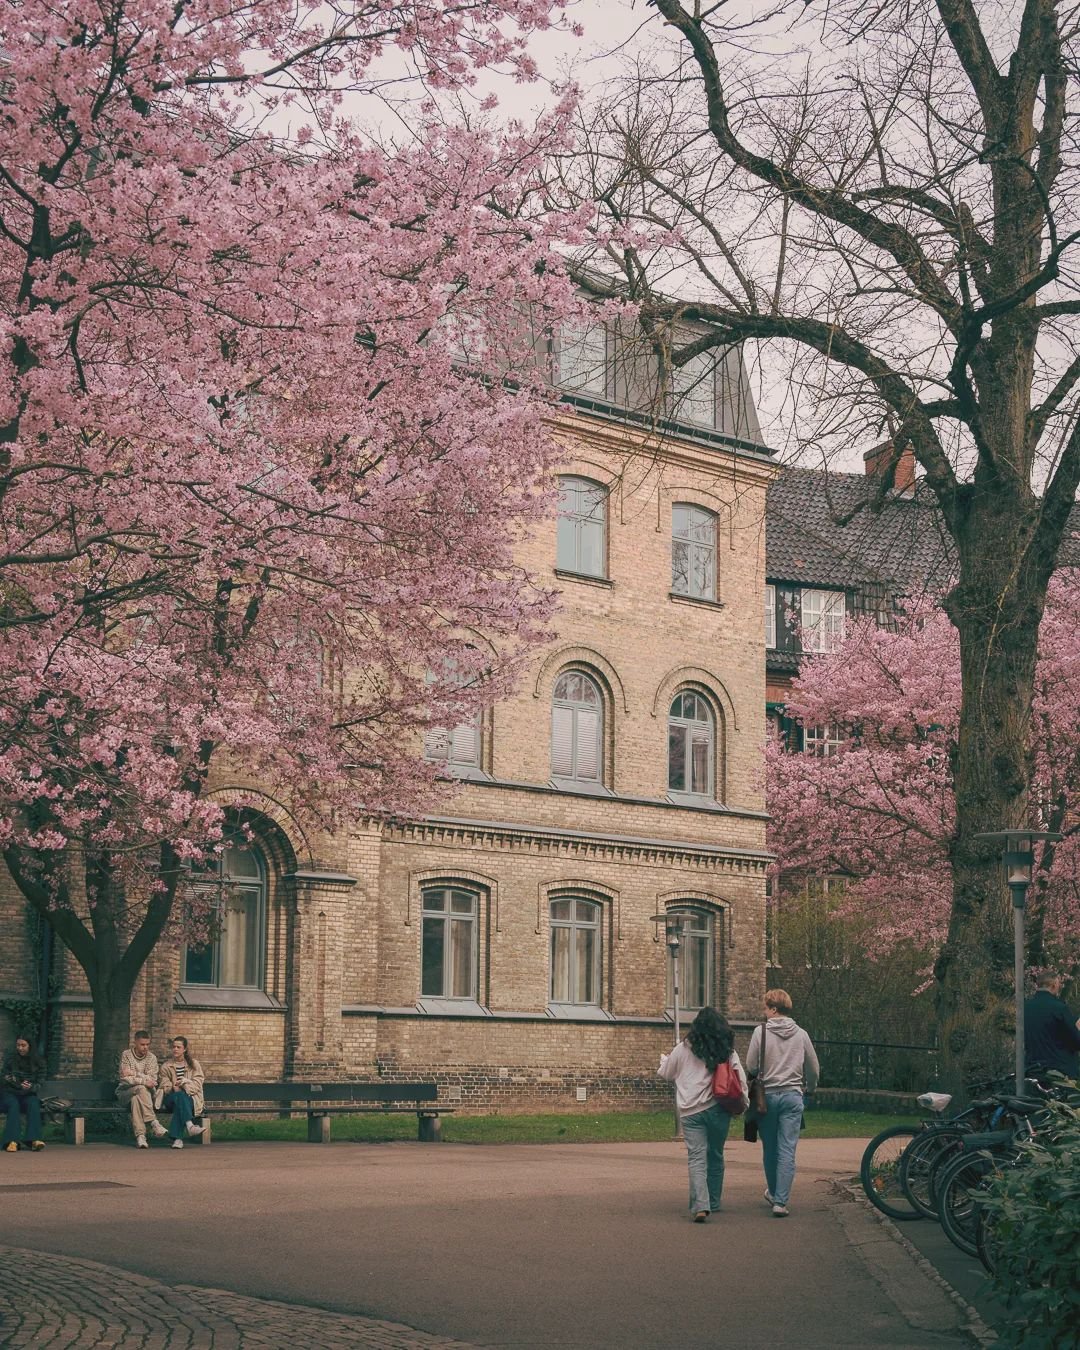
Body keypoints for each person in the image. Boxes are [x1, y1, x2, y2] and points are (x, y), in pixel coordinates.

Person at [657, 1006, 749, 1222]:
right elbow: (740, 1079)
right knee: (715, 1154)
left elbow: (667, 1073)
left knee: (696, 1158)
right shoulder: (727, 1051)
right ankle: (714, 1201)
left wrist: (663, 1061)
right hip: (718, 1108)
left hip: (690, 1112)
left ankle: (701, 1205)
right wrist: (743, 1104)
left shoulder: (683, 1048)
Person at [745, 988, 819, 1218]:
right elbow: (813, 1068)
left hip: (766, 1098)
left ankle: (774, 1192)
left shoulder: (761, 1032)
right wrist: (811, 1088)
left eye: (766, 1008)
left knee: (770, 1148)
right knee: (787, 1148)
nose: (764, 1012)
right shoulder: (802, 1034)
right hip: (792, 1096)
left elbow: (751, 1065)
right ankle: (781, 1201)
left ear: (774, 1009)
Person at [1025, 973, 1080, 1084]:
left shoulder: (1026, 1007)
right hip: (1060, 1070)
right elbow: (1076, 1042)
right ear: (1054, 985)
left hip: (1033, 1068)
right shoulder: (1059, 1008)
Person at [117, 1030, 168, 1148]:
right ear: (135, 1042)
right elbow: (125, 1079)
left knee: (137, 1098)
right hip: (125, 1093)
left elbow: (153, 1080)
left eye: (147, 1044)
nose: (145, 1047)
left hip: (144, 1096)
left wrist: (133, 1073)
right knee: (141, 1088)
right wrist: (143, 1080)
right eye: (142, 1044)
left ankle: (141, 1136)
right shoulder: (126, 1055)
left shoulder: (152, 1058)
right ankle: (154, 1122)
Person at [157, 1036, 206, 1149]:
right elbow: (164, 1084)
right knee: (179, 1096)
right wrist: (173, 1087)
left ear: (184, 1049)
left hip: (190, 1099)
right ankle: (190, 1126)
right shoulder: (166, 1066)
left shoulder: (194, 1064)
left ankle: (178, 1139)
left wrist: (184, 1085)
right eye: (173, 1047)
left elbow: (198, 1084)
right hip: (170, 1099)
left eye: (178, 1047)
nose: (175, 1049)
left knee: (181, 1098)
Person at [1, 1035, 47, 1153]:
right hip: (10, 1094)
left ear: (30, 1046)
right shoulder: (11, 1059)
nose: (20, 1048)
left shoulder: (39, 1061)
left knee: (33, 1102)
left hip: (27, 1094)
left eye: (23, 1045)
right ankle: (11, 1141)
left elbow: (40, 1083)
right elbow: (3, 1078)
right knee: (13, 1104)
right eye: (18, 1045)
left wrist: (31, 1087)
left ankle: (33, 1140)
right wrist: (12, 1081)